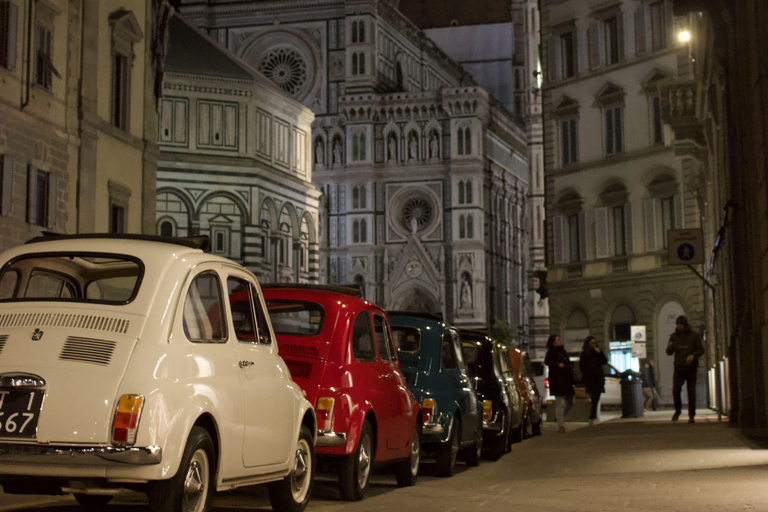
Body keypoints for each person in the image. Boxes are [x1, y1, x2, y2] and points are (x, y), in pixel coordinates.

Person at [666, 315, 705, 423]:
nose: (679, 327)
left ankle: (691, 415)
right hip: (679, 367)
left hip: (691, 367)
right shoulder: (674, 337)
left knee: (691, 391)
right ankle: (678, 410)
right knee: (676, 390)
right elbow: (669, 352)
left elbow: (701, 349)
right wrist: (670, 346)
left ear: (685, 325)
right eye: (678, 325)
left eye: (681, 325)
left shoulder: (694, 336)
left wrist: (693, 355)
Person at [545, 334, 575, 433]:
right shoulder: (551, 353)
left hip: (566, 380)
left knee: (570, 402)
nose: (560, 341)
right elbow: (548, 362)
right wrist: (557, 365)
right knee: (560, 403)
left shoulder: (563, 352)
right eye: (557, 340)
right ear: (553, 343)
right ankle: (561, 424)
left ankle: (559, 418)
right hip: (558, 381)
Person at [579, 336, 608, 426]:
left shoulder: (598, 352)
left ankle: (593, 416)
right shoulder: (585, 354)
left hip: (598, 378)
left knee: (596, 398)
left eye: (595, 342)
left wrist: (600, 353)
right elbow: (582, 366)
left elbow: (605, 361)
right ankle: (592, 416)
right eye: (592, 343)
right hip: (590, 378)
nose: (594, 345)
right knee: (594, 398)